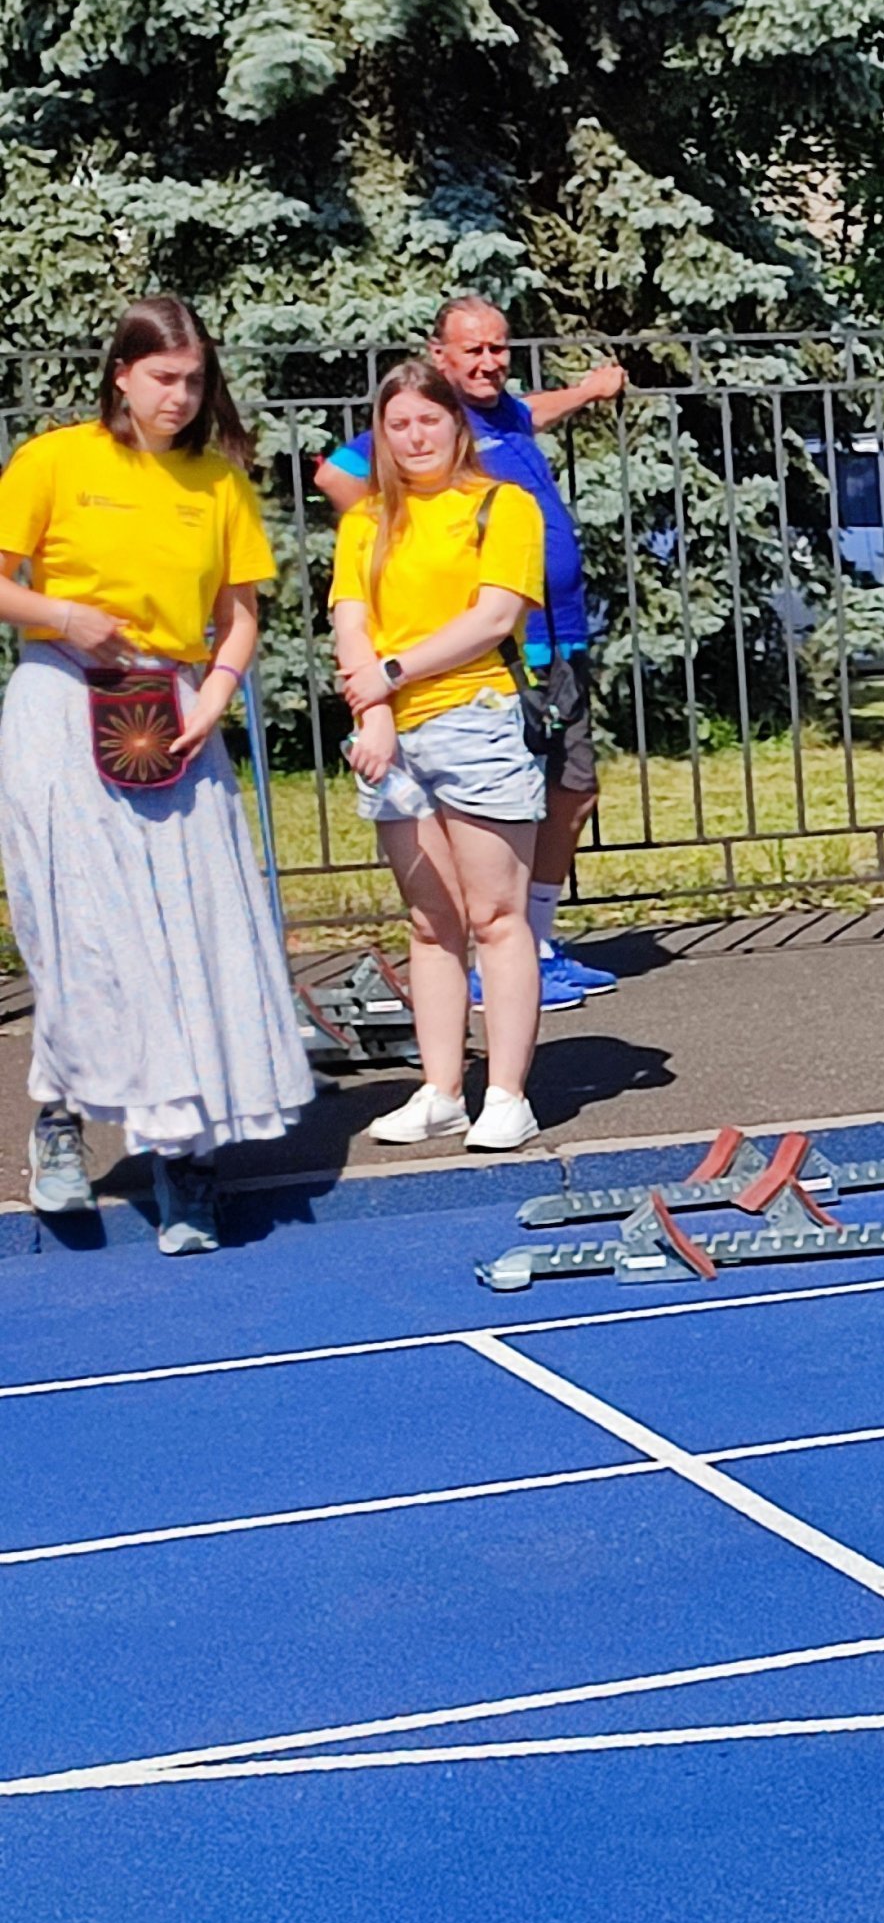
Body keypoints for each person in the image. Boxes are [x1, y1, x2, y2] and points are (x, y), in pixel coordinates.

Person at [0, 296, 314, 1253]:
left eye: (194, 381)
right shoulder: (55, 461)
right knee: (83, 934)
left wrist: (215, 693)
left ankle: (186, 1157)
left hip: (175, 714)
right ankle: (60, 1120)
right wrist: (64, 617)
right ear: (122, 375)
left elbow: (240, 614)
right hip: (66, 702)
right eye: (163, 378)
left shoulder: (217, 482)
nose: (179, 397)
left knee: (190, 933)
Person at [317, 296, 623, 1008]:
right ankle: (504, 956)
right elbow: (336, 473)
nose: (488, 362)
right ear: (440, 355)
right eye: (472, 350)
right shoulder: (435, 418)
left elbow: (533, 411)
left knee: (574, 789)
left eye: (498, 348)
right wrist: (406, 538)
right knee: (516, 800)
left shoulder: (505, 412)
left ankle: (536, 944)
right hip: (498, 658)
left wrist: (587, 391)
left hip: (561, 631)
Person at [332, 359, 552, 1150]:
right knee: (430, 923)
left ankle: (508, 1094)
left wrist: (390, 675)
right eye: (398, 424)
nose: (415, 437)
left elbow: (492, 618)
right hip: (391, 734)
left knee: (495, 916)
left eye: (429, 419)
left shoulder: (501, 505)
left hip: (474, 719)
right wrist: (376, 713)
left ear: (456, 425)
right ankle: (440, 1090)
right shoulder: (366, 520)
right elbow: (350, 621)